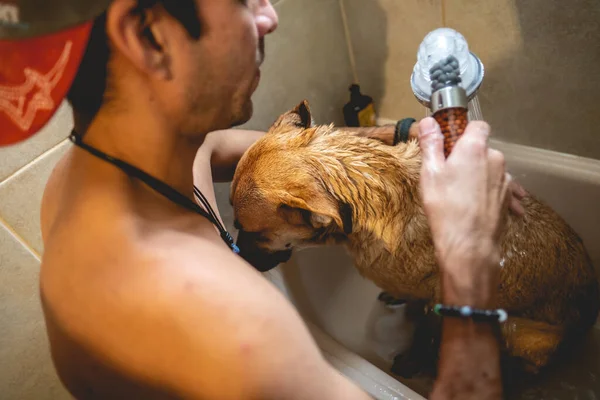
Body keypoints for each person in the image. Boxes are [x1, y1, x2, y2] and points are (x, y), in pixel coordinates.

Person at [0, 1, 523, 398]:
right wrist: (466, 266)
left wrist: (401, 135)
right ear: (149, 38)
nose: (269, 16)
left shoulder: (103, 166)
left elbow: (239, 146)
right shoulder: (224, 325)